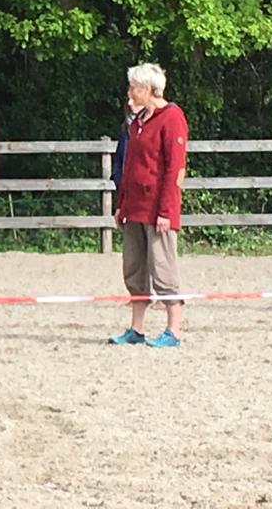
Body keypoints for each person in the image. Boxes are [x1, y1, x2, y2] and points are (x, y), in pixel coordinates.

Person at [109, 63, 189, 348]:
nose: (129, 92)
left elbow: (175, 169)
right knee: (135, 268)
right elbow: (129, 166)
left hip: (158, 210)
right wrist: (122, 204)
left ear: (147, 88)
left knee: (163, 267)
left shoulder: (172, 118)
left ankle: (174, 330)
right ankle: (136, 328)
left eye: (133, 87)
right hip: (135, 208)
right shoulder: (137, 122)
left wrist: (166, 210)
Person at [111, 96, 145, 192]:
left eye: (134, 99)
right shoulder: (125, 129)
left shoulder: (151, 127)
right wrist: (119, 180)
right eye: (129, 100)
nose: (130, 103)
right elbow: (119, 158)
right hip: (126, 189)